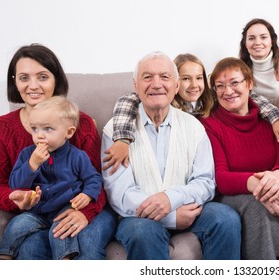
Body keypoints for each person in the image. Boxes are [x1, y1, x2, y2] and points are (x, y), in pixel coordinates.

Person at [101, 51, 241, 260]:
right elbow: (120, 193)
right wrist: (171, 217)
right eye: (147, 77)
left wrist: (171, 198)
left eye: (165, 77)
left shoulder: (194, 126)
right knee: (143, 232)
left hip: (188, 209)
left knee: (226, 218)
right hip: (137, 218)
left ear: (176, 86)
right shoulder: (115, 131)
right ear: (135, 85)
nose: (156, 84)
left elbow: (205, 181)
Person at [0, 44, 116, 259]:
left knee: (79, 242)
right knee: (30, 247)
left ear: (56, 79)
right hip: (38, 211)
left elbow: (98, 178)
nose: (33, 86)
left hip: (80, 205)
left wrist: (84, 211)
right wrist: (16, 197)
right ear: (14, 82)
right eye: (24, 78)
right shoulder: (1, 128)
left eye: (42, 77)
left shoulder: (80, 123)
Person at [103, 52, 279, 174]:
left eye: (199, 78)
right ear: (176, 83)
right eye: (186, 79)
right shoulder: (165, 101)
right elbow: (126, 101)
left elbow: (251, 97)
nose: (194, 85)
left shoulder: (211, 98)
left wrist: (275, 118)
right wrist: (123, 139)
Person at [200, 57, 279, 259]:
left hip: (270, 182)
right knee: (256, 206)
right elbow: (221, 178)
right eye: (220, 86)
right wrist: (262, 187)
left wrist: (277, 178)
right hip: (235, 192)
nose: (228, 91)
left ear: (249, 83)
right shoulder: (209, 124)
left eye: (234, 82)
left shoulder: (272, 119)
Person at [0, 96, 103, 260]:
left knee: (61, 229)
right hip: (37, 211)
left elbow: (94, 178)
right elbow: (15, 184)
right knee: (18, 224)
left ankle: (64, 258)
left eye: (48, 129)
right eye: (35, 129)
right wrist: (32, 165)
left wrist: (87, 194)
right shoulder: (27, 155)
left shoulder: (77, 156)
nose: (39, 135)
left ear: (69, 132)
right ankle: (4, 257)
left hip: (64, 208)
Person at [239, 18, 279, 101]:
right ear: (245, 43)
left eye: (263, 37)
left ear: (272, 41)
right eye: (251, 38)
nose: (257, 43)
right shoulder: (238, 70)